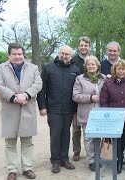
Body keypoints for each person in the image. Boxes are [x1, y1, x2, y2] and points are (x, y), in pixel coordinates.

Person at [0, 43, 42, 180]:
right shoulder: (0, 68)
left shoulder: (33, 68)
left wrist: (26, 95)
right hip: (10, 108)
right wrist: (15, 98)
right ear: (9, 55)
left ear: (23, 54)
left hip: (28, 107)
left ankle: (27, 168)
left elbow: (38, 84)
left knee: (27, 140)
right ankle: (12, 170)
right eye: (14, 54)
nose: (17, 56)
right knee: (10, 142)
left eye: (20, 54)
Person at [37, 46, 81, 174]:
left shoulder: (75, 70)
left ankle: (64, 159)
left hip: (69, 108)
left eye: (67, 54)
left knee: (66, 134)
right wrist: (42, 106)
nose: (64, 56)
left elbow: (78, 89)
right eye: (62, 53)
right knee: (55, 134)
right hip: (53, 108)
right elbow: (42, 88)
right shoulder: (48, 67)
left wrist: (77, 108)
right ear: (59, 53)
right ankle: (55, 161)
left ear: (71, 56)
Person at [72, 55, 106, 171]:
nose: (91, 66)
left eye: (93, 64)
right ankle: (91, 161)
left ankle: (98, 157)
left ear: (98, 66)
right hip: (87, 113)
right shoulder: (80, 79)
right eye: (88, 64)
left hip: (101, 113)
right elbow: (75, 96)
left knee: (99, 137)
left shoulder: (104, 78)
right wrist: (90, 98)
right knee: (89, 138)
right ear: (85, 66)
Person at [71, 36, 92, 161]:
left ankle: (92, 152)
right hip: (77, 99)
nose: (83, 47)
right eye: (81, 45)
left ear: (89, 46)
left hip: (91, 100)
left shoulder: (93, 59)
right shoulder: (73, 60)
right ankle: (77, 151)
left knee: (91, 128)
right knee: (76, 128)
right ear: (78, 46)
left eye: (86, 45)